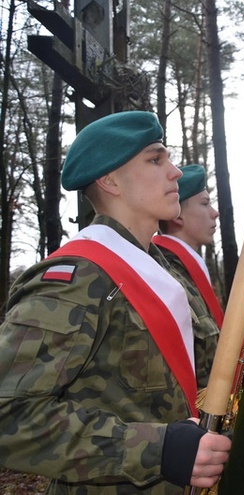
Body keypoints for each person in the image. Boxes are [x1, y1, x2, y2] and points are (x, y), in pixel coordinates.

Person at [0, 111, 231, 493]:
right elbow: (9, 415)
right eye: (156, 160)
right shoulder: (76, 279)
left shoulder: (164, 272)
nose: (174, 172)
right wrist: (158, 450)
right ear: (110, 181)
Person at [154, 164, 224, 332]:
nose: (215, 213)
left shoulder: (184, 266)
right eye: (205, 203)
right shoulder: (168, 273)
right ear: (177, 216)